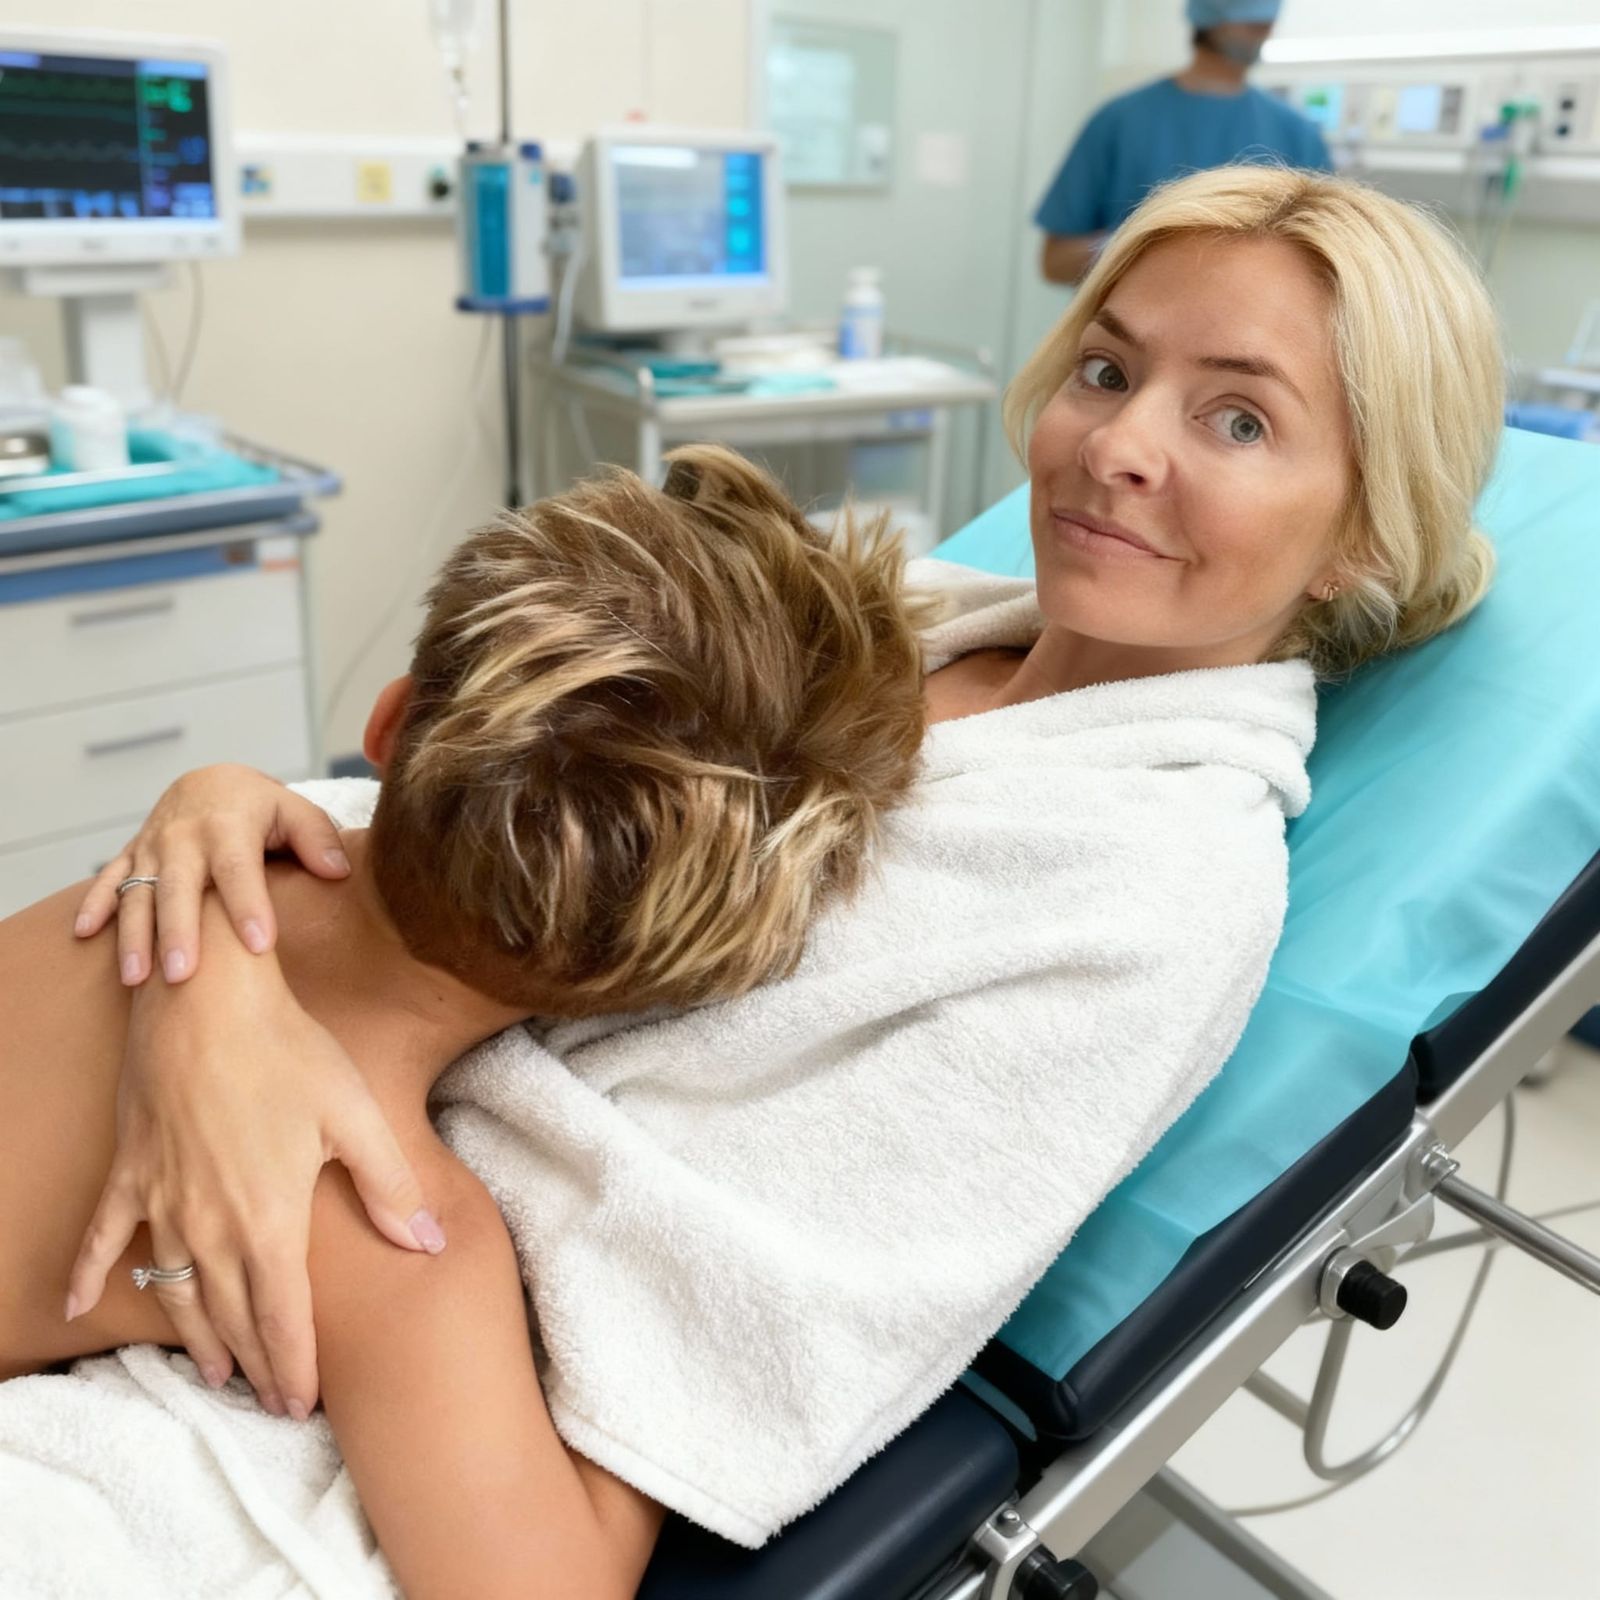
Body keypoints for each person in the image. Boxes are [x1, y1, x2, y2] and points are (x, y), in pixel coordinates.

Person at [59, 166, 1503, 1559]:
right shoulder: (916, 613)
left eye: (1241, 422)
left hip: (348, 1367)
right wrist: (217, 869)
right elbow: (476, 808)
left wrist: (305, 1061)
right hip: (253, 1158)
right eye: (1110, 373)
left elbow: (735, 1318)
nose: (1118, 448)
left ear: (1361, 539)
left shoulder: (1153, 899)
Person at [0, 446, 929, 1597]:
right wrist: (676, 1380)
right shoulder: (395, 1224)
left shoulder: (187, 868)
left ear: (385, 728)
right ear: (679, 982)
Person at [1037, 0, 1332, 285]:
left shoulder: (1296, 134)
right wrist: (1143, 245)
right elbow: (1056, 261)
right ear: (1207, 13)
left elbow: (1328, 265)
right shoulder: (1121, 121)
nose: (1265, 25)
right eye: (1250, 16)